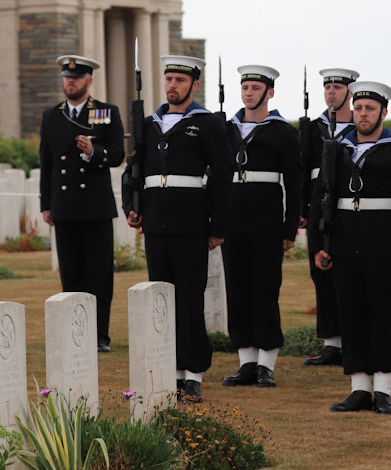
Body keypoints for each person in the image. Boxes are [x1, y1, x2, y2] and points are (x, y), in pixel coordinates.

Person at [310, 81, 391, 415]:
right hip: (345, 247)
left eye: (370, 109)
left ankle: (384, 391)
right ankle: (359, 389)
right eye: (358, 108)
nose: (363, 114)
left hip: (383, 248)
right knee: (351, 317)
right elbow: (320, 199)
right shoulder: (338, 148)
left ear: (384, 112)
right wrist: (319, 244)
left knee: (380, 316)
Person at [122, 55, 232, 403]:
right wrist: (132, 206)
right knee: (161, 300)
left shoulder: (208, 122)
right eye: (169, 79)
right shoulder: (150, 123)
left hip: (191, 223)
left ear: (194, 84)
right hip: (156, 222)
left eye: (180, 80)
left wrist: (218, 225)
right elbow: (133, 167)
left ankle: (193, 374)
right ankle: (167, 368)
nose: (173, 85)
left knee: (189, 297)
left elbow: (223, 177)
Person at [221, 65, 302, 389]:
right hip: (232, 223)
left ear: (269, 92)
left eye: (256, 88)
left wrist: (289, 229)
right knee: (237, 291)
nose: (249, 93)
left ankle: (267, 364)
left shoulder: (283, 131)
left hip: (267, 224)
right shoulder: (226, 129)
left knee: (266, 291)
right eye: (245, 87)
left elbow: (294, 186)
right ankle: (246, 363)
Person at [39, 55, 124, 353]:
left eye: (75, 78)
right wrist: (45, 205)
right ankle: (76, 333)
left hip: (95, 207)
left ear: (89, 81)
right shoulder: (52, 115)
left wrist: (93, 151)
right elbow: (46, 162)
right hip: (64, 208)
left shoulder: (105, 112)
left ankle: (100, 334)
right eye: (66, 77)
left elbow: (117, 154)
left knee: (99, 275)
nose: (69, 82)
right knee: (71, 273)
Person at [303, 68, 359, 367]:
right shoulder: (313, 128)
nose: (331, 92)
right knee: (321, 273)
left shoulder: (359, 127)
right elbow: (301, 170)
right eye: (327, 88)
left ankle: (352, 338)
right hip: (317, 205)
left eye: (338, 88)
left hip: (348, 206)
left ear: (350, 92)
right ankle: (330, 343)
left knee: (348, 273)